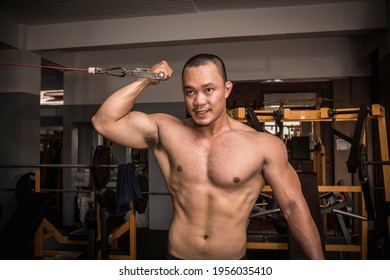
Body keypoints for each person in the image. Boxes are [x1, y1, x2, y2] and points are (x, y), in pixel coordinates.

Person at [92, 54, 324, 260]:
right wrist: (146, 78)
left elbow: (293, 207)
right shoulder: (167, 131)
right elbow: (103, 122)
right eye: (190, 91)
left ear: (227, 89)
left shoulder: (263, 145)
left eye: (208, 89)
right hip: (177, 259)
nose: (199, 101)